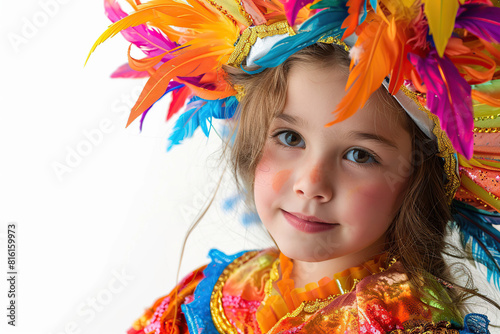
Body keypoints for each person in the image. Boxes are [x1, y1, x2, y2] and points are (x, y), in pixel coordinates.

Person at [86, 0, 500, 333]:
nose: (311, 183)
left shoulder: (403, 323)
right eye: (289, 138)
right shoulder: (214, 293)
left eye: (360, 155)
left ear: (417, 178)